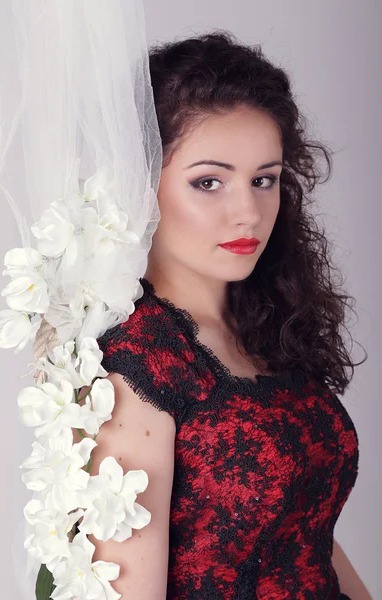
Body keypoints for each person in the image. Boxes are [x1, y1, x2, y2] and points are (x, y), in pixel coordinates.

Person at [74, 31, 370, 599]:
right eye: (208, 182)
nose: (248, 212)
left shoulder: (267, 324)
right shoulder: (139, 364)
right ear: (142, 185)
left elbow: (307, 535)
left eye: (265, 180)